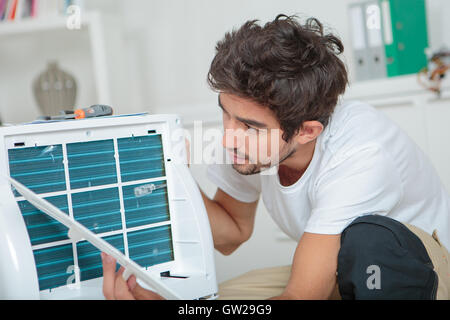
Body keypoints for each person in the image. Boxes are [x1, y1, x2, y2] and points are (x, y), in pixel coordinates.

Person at [101, 14, 450, 300]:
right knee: (207, 299)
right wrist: (171, 173)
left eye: (250, 126)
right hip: (340, 267)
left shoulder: (361, 156)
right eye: (226, 114)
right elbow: (231, 234)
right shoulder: (244, 142)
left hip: (419, 271)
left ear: (306, 131)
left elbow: (301, 297)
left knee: (366, 242)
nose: (228, 136)